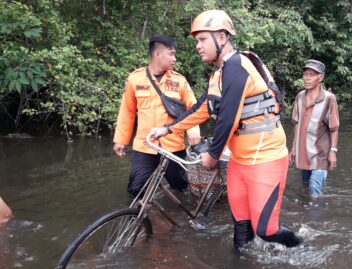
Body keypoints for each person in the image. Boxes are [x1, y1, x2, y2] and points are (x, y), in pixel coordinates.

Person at [150, 10, 302, 249]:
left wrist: (212, 154)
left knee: (266, 230)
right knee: (241, 226)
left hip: (266, 159)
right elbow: (200, 110)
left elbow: (228, 118)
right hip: (239, 163)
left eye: (202, 39)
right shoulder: (218, 76)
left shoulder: (238, 66)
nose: (198, 46)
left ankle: (301, 246)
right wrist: (167, 129)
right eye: (196, 41)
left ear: (221, 37)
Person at [113, 34, 200, 198]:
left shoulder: (179, 81)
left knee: (181, 187)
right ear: (157, 55)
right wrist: (121, 140)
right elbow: (127, 111)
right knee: (136, 188)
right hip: (145, 145)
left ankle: (181, 218)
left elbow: (193, 109)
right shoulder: (135, 79)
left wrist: (193, 131)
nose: (174, 59)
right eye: (171, 54)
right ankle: (143, 220)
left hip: (173, 146)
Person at [289, 59, 339, 198]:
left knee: (314, 192)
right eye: (306, 74)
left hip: (320, 155)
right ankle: (307, 214)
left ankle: (316, 218)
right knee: (305, 188)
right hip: (303, 152)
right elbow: (296, 123)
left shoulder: (329, 99)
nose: (307, 78)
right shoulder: (299, 97)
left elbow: (334, 128)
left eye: (312, 75)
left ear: (321, 77)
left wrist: (333, 152)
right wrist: (293, 148)